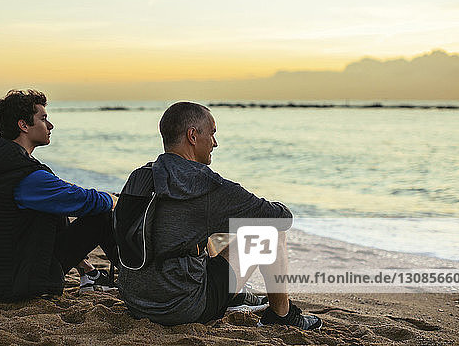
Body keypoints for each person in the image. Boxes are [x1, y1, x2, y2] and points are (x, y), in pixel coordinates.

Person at [117, 101, 322, 329]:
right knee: (268, 234)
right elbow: (281, 218)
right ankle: (282, 316)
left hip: (135, 301)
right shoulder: (204, 184)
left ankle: (236, 294)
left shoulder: (139, 176)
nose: (215, 143)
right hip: (181, 307)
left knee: (208, 232)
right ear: (192, 136)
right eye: (212, 134)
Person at [0, 89, 117, 301]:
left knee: (51, 207)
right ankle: (132, 280)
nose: (50, 126)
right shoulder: (26, 176)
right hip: (12, 283)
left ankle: (89, 273)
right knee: (102, 212)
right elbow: (85, 201)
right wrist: (113, 199)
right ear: (23, 125)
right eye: (43, 119)